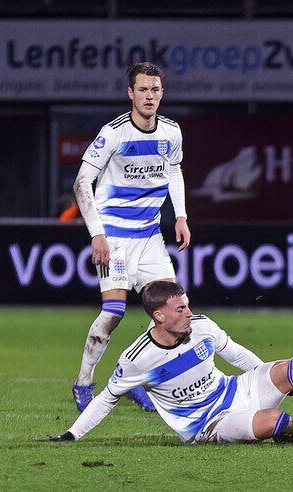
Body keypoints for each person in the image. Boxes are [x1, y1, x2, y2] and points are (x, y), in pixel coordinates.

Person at [48, 281, 293, 445]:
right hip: (209, 423)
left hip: (234, 390)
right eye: (180, 309)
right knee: (278, 422)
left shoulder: (201, 327)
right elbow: (107, 398)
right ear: (158, 316)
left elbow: (234, 353)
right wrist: (71, 434)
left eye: (187, 304)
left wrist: (271, 376)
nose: (189, 312)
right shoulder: (138, 359)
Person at [71, 61, 191, 412]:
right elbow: (81, 183)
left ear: (162, 93)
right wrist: (98, 235)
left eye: (155, 89)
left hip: (151, 236)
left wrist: (180, 216)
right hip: (115, 237)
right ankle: (83, 383)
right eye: (142, 89)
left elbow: (174, 170)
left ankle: (137, 381)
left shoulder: (171, 132)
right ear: (131, 94)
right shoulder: (114, 133)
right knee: (114, 312)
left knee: (172, 312)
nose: (149, 96)